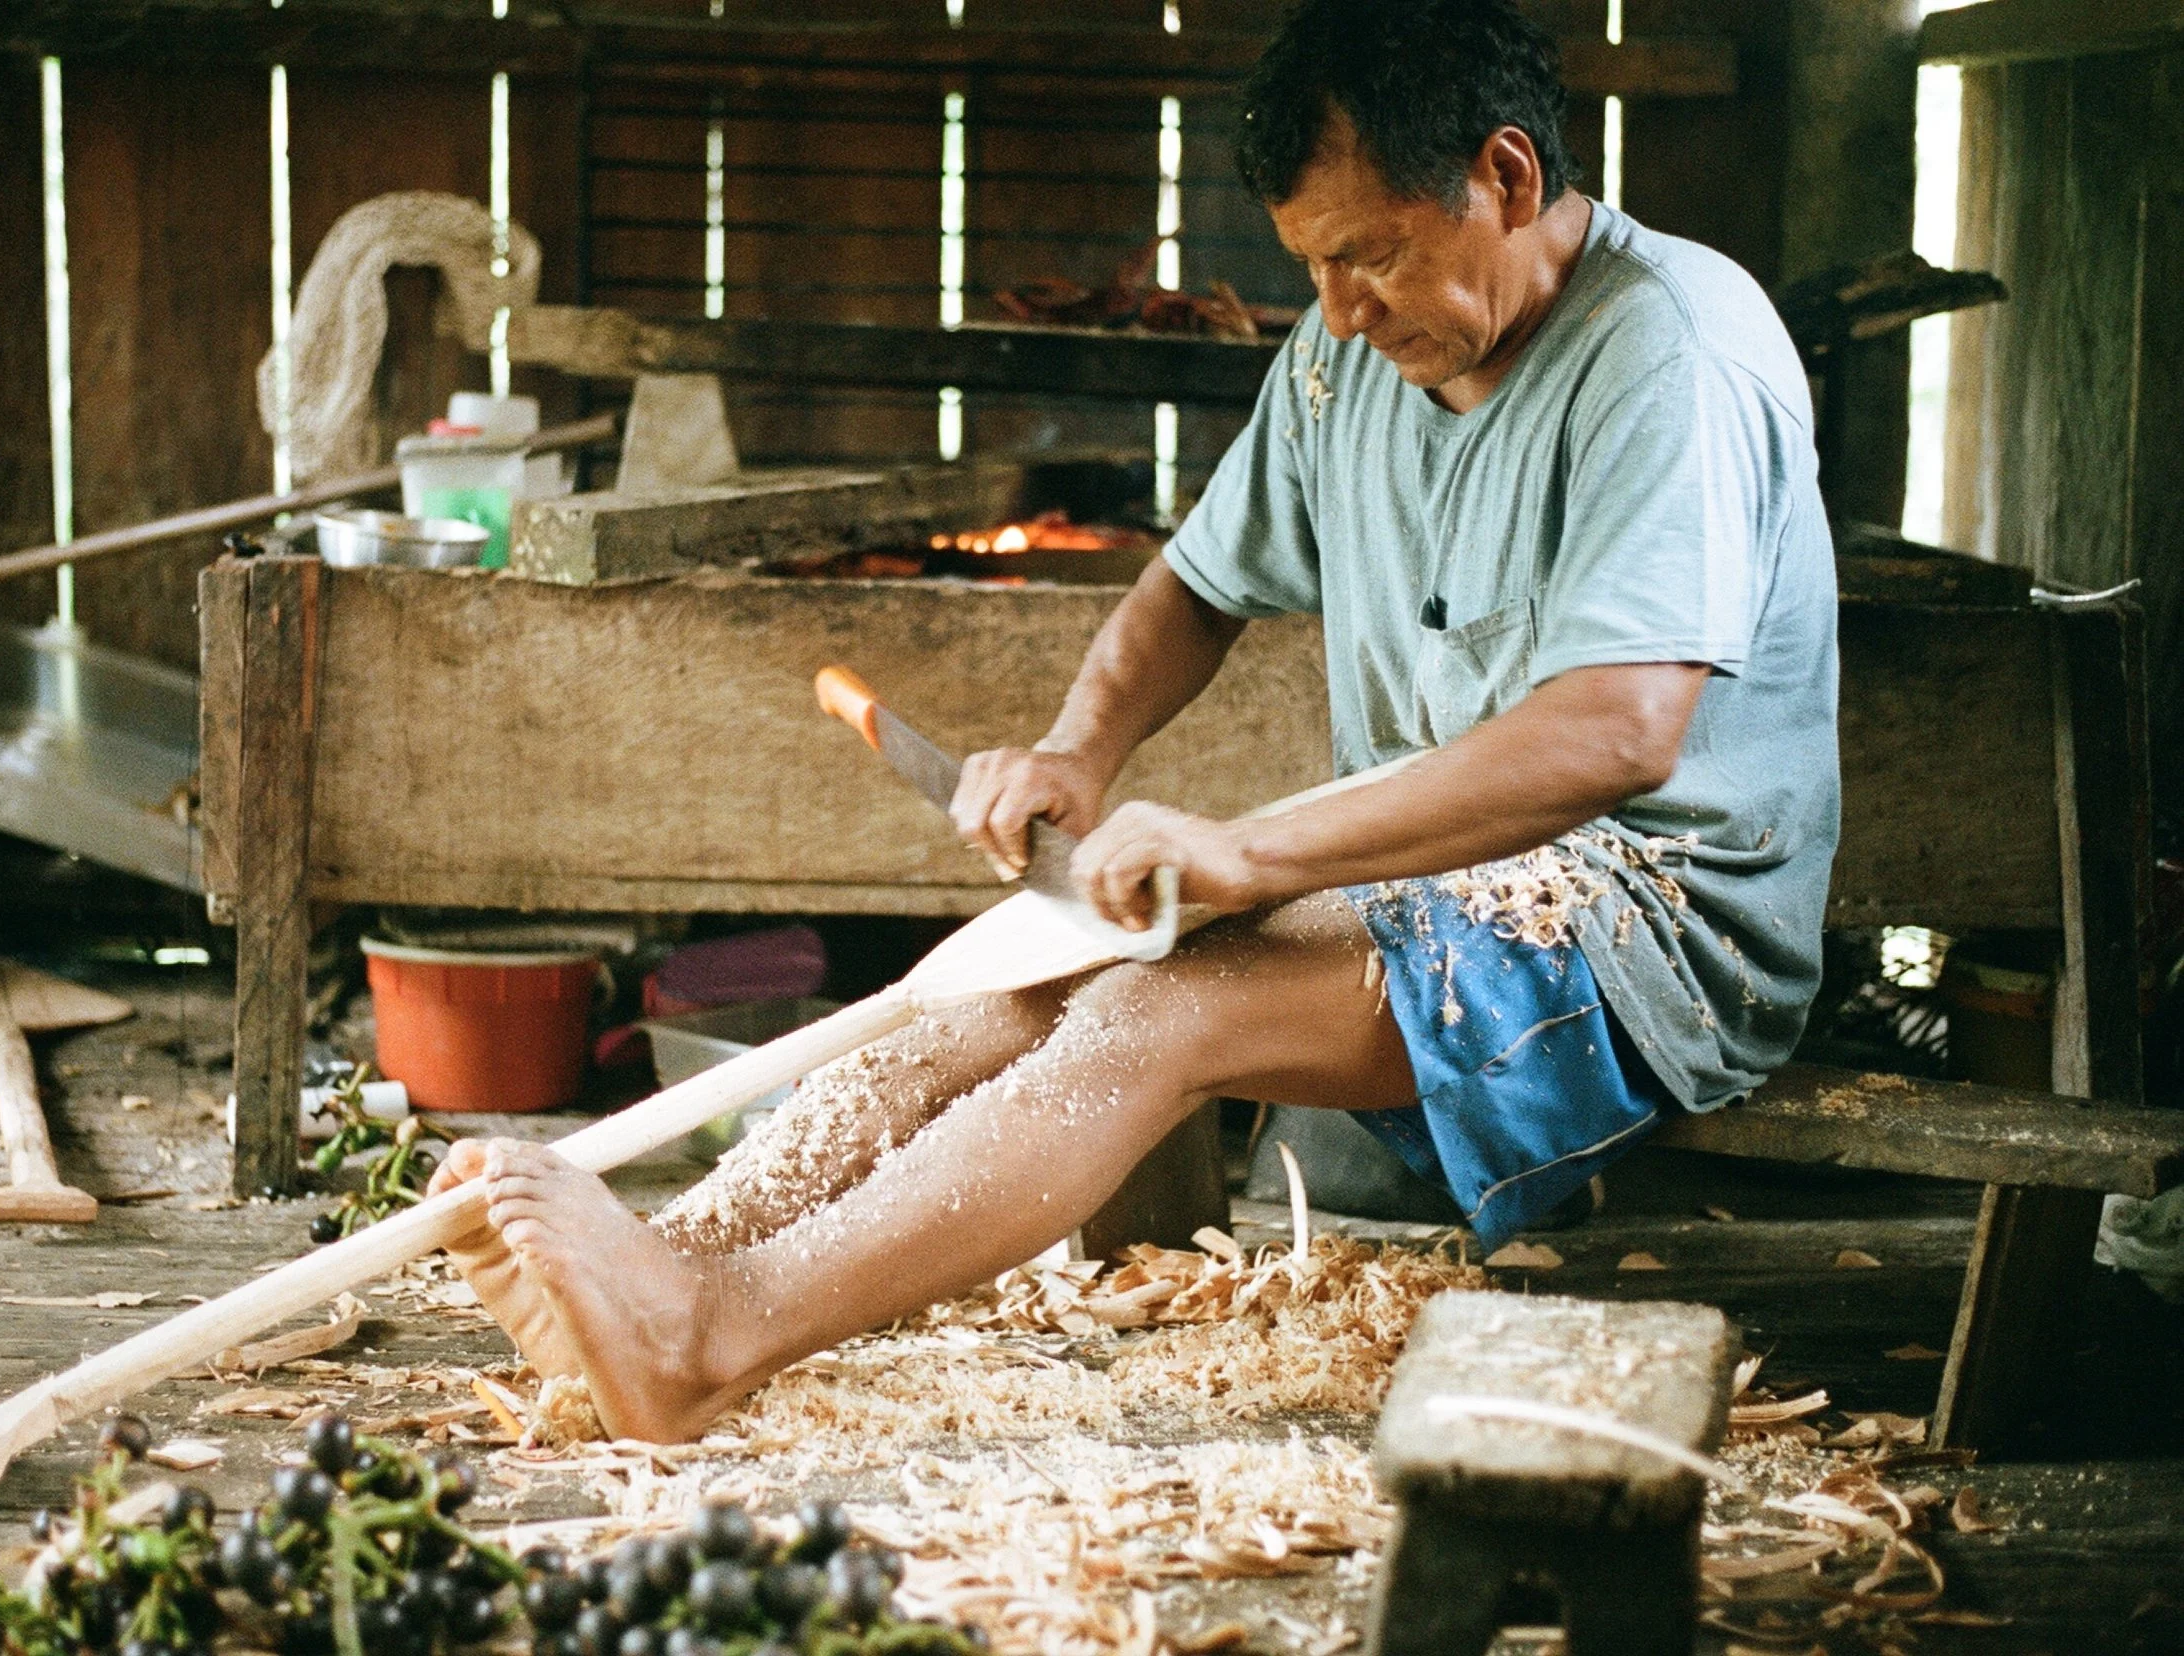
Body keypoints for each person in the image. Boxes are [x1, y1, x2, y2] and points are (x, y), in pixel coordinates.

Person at [429, 0, 1839, 1444]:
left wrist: (1262, 858)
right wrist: (1076, 749)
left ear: (1511, 176)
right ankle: (666, 1264)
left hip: (1655, 919)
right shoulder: (1347, 354)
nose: (1342, 310)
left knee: (1151, 1008)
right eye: (1315, 264)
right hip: (1426, 882)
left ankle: (708, 1340)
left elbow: (1615, 735)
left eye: (1372, 252)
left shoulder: (1669, 352)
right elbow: (1194, 585)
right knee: (988, 982)